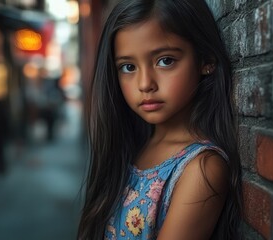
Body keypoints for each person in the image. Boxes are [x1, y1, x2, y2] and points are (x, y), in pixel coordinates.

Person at [78, 0, 243, 239]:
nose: (145, 84)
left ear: (206, 60)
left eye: (165, 61)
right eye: (128, 67)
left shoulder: (201, 168)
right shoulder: (131, 145)